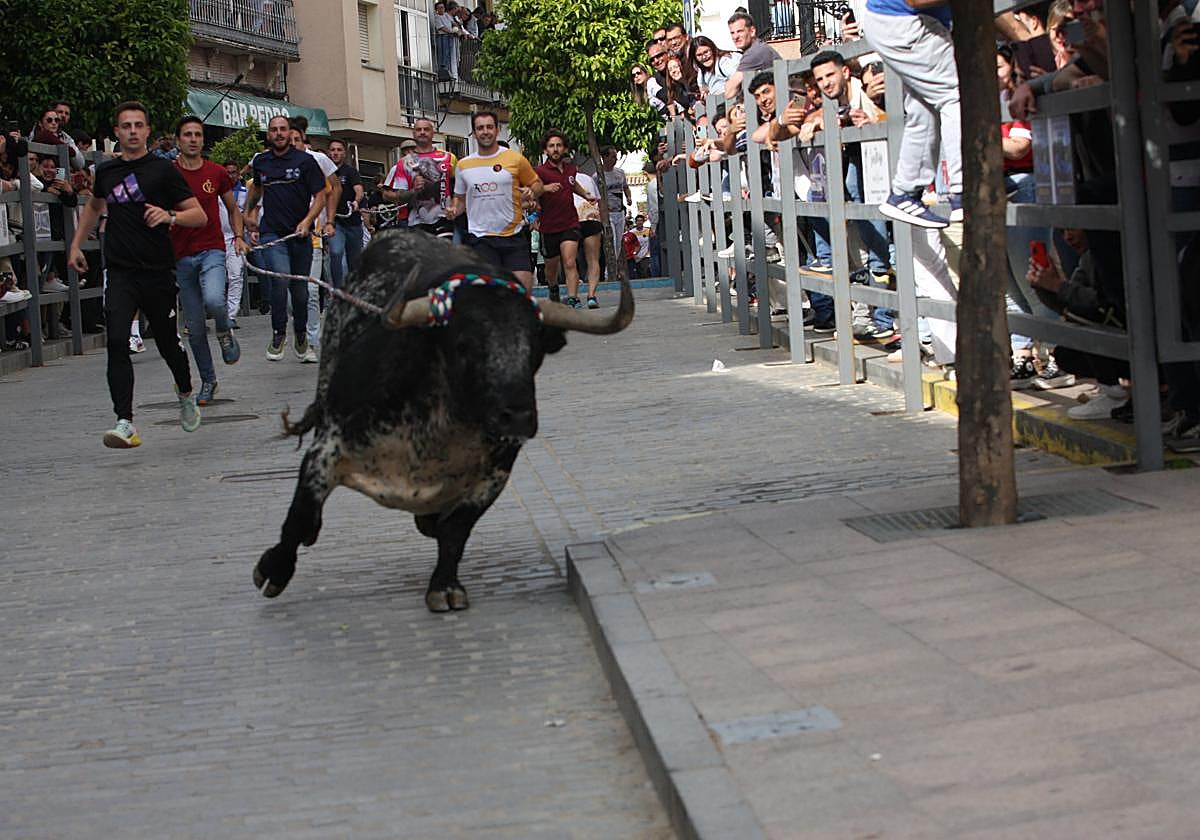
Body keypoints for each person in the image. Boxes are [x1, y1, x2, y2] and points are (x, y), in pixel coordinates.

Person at [67, 101, 208, 449]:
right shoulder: (108, 172)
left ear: (147, 130)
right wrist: (76, 246)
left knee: (167, 343)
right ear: (116, 132)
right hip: (120, 271)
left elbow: (198, 215)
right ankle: (125, 421)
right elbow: (95, 207)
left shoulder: (163, 171)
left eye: (138, 125)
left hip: (158, 271)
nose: (132, 131)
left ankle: (186, 392)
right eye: (125, 126)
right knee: (116, 341)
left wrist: (169, 217)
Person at [862, 0, 963, 228]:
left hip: (897, 20)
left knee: (923, 108)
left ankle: (905, 192)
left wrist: (1026, 40)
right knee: (957, 94)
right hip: (903, 20)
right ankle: (966, 188)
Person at [171, 116, 246, 407]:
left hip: (212, 249)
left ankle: (225, 331)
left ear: (203, 140)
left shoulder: (216, 173)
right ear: (178, 140)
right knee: (194, 326)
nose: (193, 139)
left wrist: (238, 236)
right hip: (180, 256)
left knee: (215, 300)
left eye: (198, 135)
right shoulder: (168, 174)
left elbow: (232, 208)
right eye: (187, 134)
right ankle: (208, 380)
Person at [243, 114, 327, 362]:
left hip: (300, 235)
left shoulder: (305, 161)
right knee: (280, 279)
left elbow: (321, 195)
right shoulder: (261, 162)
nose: (278, 133)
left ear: (290, 133)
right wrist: (249, 212)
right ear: (268, 134)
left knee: (300, 293)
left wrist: (307, 221)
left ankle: (300, 333)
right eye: (273, 130)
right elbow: (257, 188)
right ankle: (278, 332)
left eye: (282, 129)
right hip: (272, 232)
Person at [447, 111, 543, 290]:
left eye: (489, 127)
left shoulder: (514, 158)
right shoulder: (463, 165)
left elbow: (537, 184)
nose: (485, 131)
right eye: (480, 128)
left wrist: (532, 192)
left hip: (514, 235)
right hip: (481, 238)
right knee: (490, 295)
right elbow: (460, 200)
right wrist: (453, 210)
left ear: (497, 130)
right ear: (474, 133)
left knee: (522, 292)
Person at [289, 117, 340, 361]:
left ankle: (311, 339)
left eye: (296, 139)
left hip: (312, 236)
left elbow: (335, 188)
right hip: (282, 237)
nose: (292, 143)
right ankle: (296, 332)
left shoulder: (317, 160)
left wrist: (328, 219)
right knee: (291, 295)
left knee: (309, 290)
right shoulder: (271, 162)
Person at [534, 130, 598, 309]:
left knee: (570, 261)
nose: (555, 149)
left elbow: (572, 183)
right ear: (546, 150)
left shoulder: (571, 169)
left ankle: (572, 299)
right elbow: (533, 192)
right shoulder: (540, 171)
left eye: (558, 145)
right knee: (551, 268)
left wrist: (585, 194)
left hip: (570, 222)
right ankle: (553, 288)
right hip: (548, 226)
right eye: (551, 146)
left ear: (564, 149)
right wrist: (546, 188)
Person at [403, 116, 459, 238]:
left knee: (442, 255)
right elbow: (394, 195)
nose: (422, 132)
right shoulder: (404, 162)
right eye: (419, 130)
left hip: (444, 219)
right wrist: (413, 190)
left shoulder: (449, 157)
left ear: (433, 133)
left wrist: (455, 207)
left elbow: (459, 188)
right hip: (417, 222)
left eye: (426, 129)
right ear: (413, 134)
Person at [327, 138, 364, 288]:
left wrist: (356, 201)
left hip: (353, 222)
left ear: (344, 154)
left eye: (339, 150)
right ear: (329, 153)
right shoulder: (323, 172)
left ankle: (354, 291)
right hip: (335, 222)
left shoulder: (350, 171)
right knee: (336, 253)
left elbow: (359, 190)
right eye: (333, 150)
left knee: (354, 262)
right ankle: (337, 290)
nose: (335, 153)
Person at [724, 11, 782, 100]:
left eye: (740, 31)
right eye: (732, 33)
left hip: (793, 104)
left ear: (752, 31)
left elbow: (729, 93)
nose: (735, 37)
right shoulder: (758, 47)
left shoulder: (754, 53)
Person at [219, 159, 248, 327]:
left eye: (233, 172)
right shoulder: (215, 192)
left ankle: (231, 315)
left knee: (236, 276)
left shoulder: (245, 192)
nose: (230, 176)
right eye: (227, 172)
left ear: (239, 174)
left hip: (236, 239)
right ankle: (220, 313)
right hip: (216, 239)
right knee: (218, 279)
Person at [573, 167, 605, 306]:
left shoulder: (560, 177)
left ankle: (574, 297)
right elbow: (598, 200)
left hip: (571, 219)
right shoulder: (587, 177)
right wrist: (603, 221)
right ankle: (591, 296)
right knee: (593, 259)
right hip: (591, 217)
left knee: (570, 261)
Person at [600, 146, 631, 258]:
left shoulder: (620, 173)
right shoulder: (598, 176)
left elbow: (626, 187)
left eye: (616, 157)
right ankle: (608, 271)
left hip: (619, 211)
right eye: (613, 157)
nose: (615, 159)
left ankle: (615, 268)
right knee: (611, 241)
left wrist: (629, 197)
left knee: (618, 242)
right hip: (608, 213)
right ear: (605, 157)